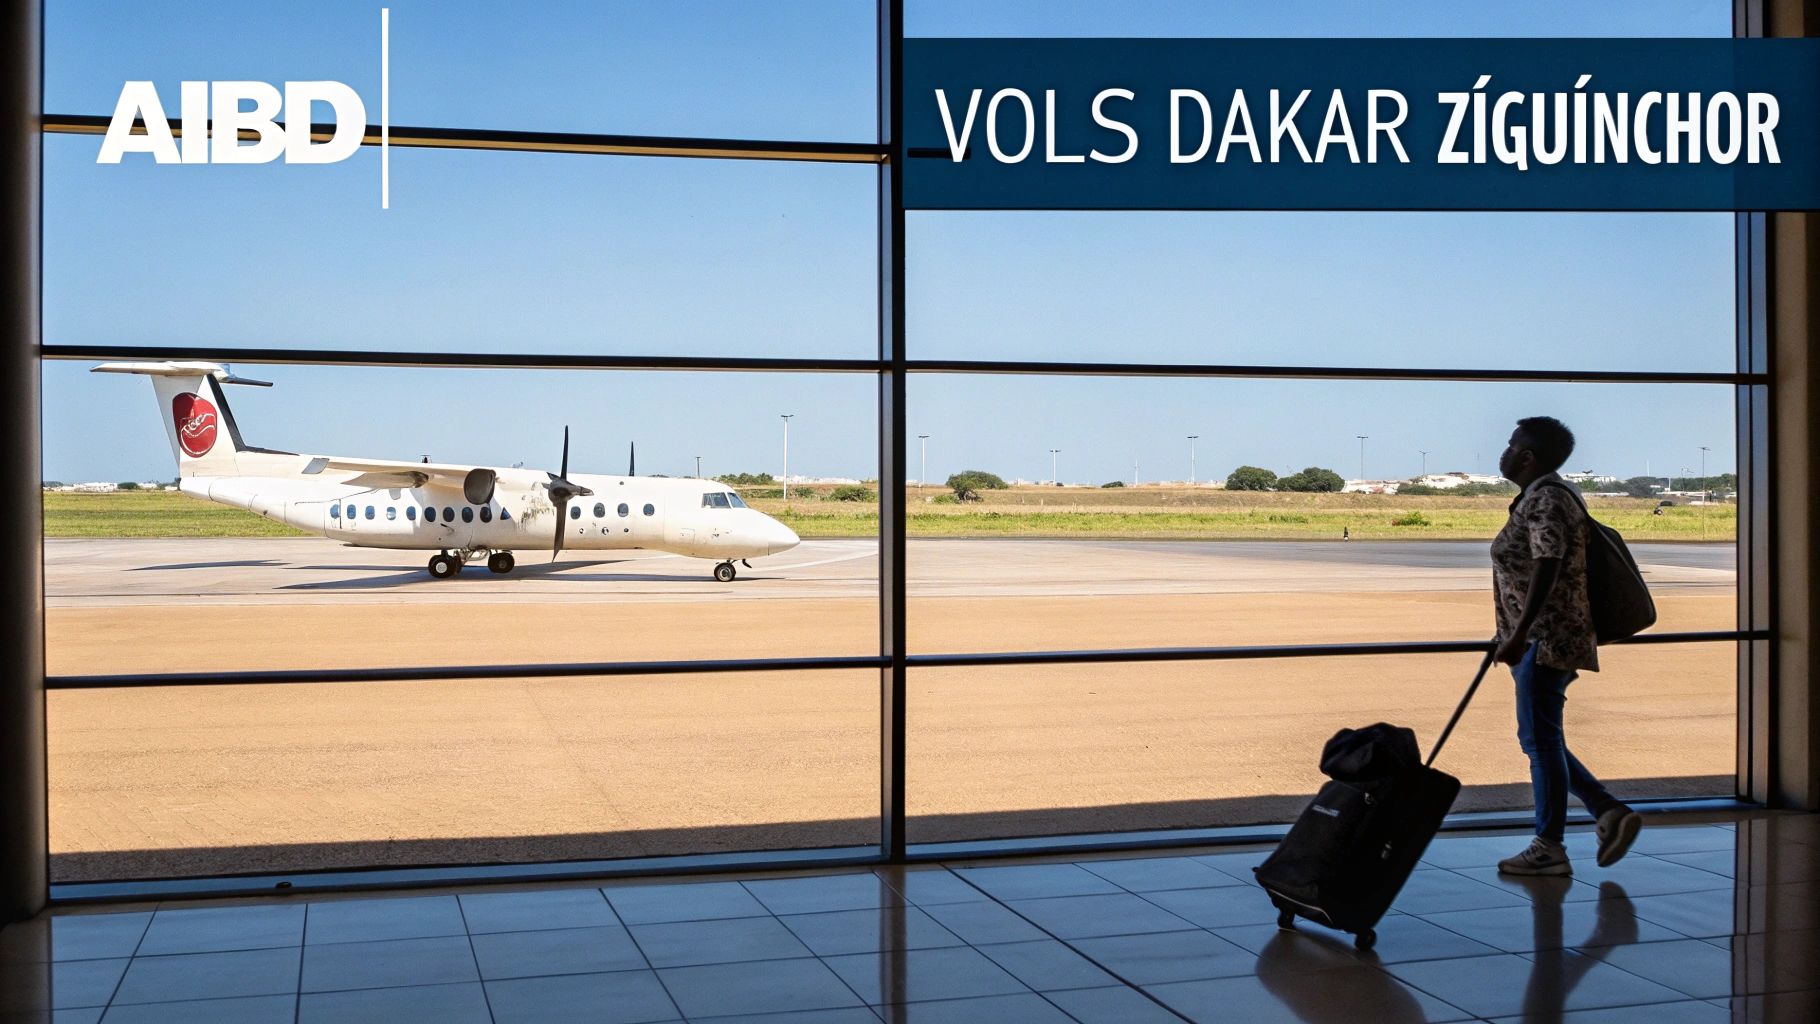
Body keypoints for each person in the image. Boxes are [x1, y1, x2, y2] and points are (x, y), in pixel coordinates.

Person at [1490, 416, 1642, 876]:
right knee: (1539, 738)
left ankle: (1549, 845)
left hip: (1545, 640)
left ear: (1527, 456)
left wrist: (1518, 635)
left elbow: (1547, 565)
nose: (1506, 450)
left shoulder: (1547, 499)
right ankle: (1606, 811)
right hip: (1539, 636)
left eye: (1512, 443)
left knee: (1540, 741)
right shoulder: (1545, 495)